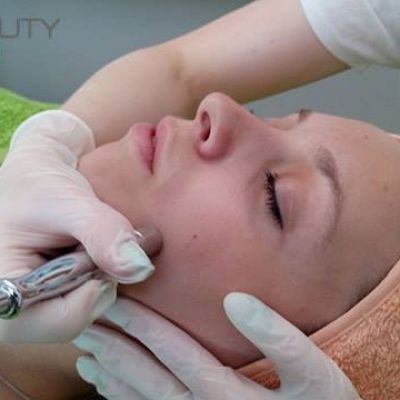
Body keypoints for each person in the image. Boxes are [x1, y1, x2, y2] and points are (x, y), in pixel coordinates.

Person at [0, 0, 398, 398]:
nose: (219, 105)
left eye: (274, 196)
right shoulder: (31, 160)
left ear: (262, 373)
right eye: (273, 120)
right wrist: (49, 137)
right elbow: (181, 72)